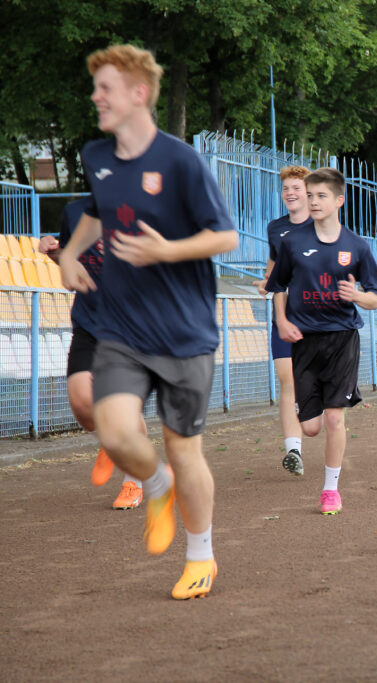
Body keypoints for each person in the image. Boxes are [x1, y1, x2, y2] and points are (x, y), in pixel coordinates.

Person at [59, 44, 239, 599]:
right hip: (121, 328)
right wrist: (70, 254)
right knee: (113, 430)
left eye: (105, 88)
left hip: (185, 334)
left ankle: (201, 556)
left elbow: (225, 236)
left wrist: (167, 252)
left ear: (139, 93)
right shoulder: (96, 155)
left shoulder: (181, 161)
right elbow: (95, 210)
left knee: (185, 450)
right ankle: (154, 485)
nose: (96, 98)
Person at [266, 167, 377, 514]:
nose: (313, 201)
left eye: (320, 196)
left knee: (335, 419)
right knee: (311, 427)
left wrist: (357, 296)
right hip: (304, 340)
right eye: (311, 195)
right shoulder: (292, 242)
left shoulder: (356, 246)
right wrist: (283, 321)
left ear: (338, 201)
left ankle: (330, 489)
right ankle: (309, 441)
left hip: (342, 340)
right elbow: (278, 287)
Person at [40, 199, 149, 510]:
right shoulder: (75, 212)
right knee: (81, 403)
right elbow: (69, 258)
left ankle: (132, 482)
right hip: (89, 322)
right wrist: (52, 252)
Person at [253, 165, 313, 475]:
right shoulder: (275, 228)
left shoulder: (323, 226)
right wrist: (267, 281)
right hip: (285, 315)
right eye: (286, 188)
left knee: (310, 385)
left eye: (296, 188)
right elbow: (274, 269)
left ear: (309, 193)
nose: (290, 193)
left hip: (318, 318)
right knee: (287, 380)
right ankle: (294, 450)